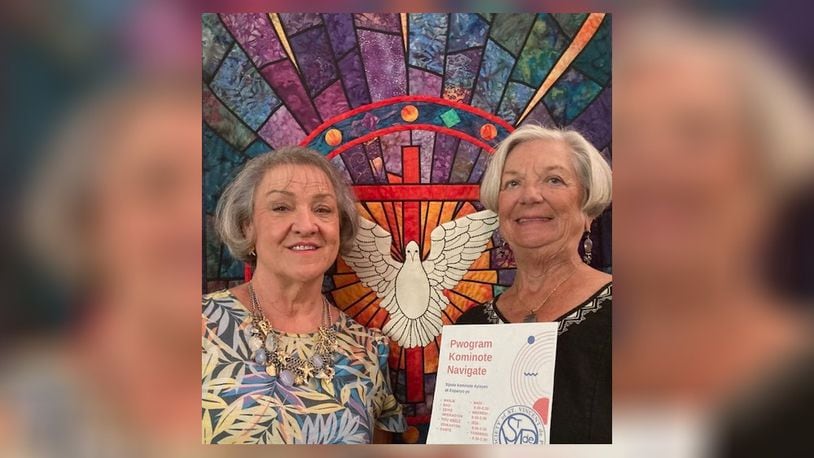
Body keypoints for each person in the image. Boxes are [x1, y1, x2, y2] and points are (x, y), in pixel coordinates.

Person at [202, 146, 406, 444]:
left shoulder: (368, 353)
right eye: (281, 207)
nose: (307, 226)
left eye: (322, 209)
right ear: (248, 227)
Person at [457, 124, 613, 443]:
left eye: (553, 179)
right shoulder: (470, 329)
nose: (529, 195)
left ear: (587, 207)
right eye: (512, 182)